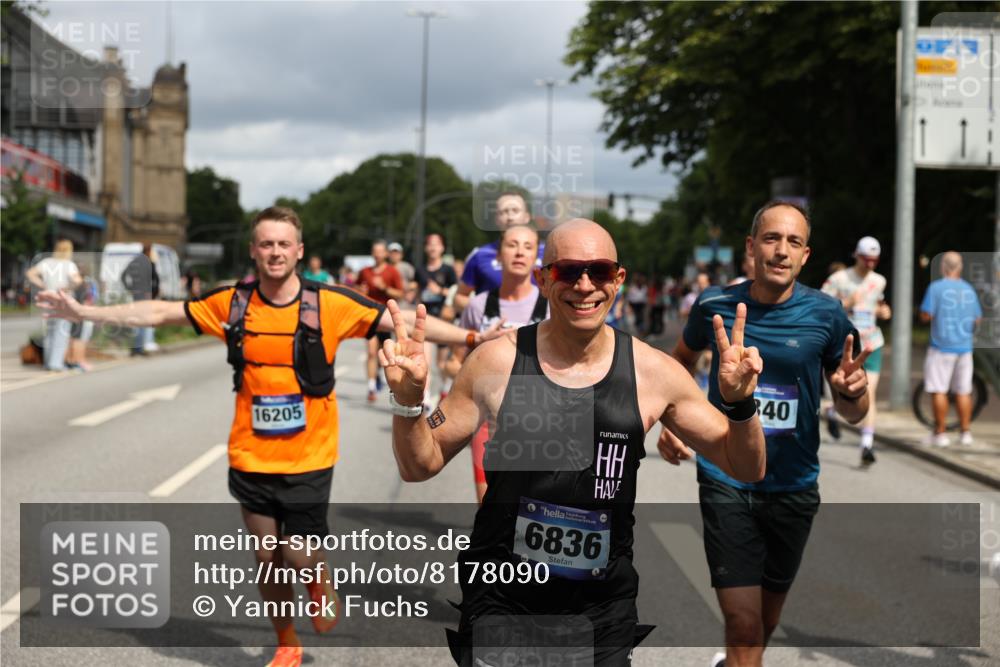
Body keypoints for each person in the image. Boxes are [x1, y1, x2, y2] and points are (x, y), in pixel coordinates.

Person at [36, 206, 500, 667]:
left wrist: (472, 339)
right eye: (266, 244)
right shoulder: (233, 303)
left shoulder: (329, 303)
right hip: (249, 456)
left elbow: (396, 323)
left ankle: (317, 580)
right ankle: (287, 641)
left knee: (297, 553)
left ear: (299, 251)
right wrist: (86, 310)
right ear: (254, 250)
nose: (275, 252)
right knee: (266, 556)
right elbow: (160, 311)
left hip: (310, 457)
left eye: (283, 244)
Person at [381, 218, 766, 666]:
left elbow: (745, 465)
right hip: (503, 593)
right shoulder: (497, 362)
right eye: (568, 272)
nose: (585, 286)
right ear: (545, 279)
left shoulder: (653, 372)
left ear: (619, 280)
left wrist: (740, 406)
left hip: (600, 606)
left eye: (599, 271)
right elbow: (419, 465)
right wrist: (407, 403)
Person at [659, 200, 872, 667]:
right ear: (751, 247)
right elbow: (679, 363)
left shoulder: (827, 315)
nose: (781, 251)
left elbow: (855, 412)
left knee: (765, 624)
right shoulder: (714, 305)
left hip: (794, 485)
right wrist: (671, 420)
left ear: (805, 255)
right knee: (743, 624)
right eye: (771, 239)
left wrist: (852, 393)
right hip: (726, 477)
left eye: (793, 242)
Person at [454, 224, 548, 503]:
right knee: (488, 507)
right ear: (498, 254)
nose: (520, 252)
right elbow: (455, 364)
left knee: (532, 511)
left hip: (542, 421)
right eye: (512, 245)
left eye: (528, 247)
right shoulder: (478, 306)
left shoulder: (553, 306)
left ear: (536, 258)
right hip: (488, 422)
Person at [821, 236, 890, 465]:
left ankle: (867, 445)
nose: (870, 264)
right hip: (846, 344)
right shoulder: (839, 279)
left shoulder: (879, 281)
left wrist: (883, 311)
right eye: (866, 259)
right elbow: (820, 305)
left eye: (875, 260)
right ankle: (832, 411)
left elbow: (878, 303)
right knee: (845, 392)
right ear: (857, 256)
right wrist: (846, 303)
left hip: (871, 344)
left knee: (868, 394)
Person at [919, 251, 983, 447]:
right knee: (964, 390)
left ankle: (940, 433)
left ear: (943, 267)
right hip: (964, 347)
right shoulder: (969, 290)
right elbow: (977, 318)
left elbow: (926, 316)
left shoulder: (936, 288)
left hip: (941, 347)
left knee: (939, 389)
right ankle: (965, 433)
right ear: (960, 267)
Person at [456, 192, 543, 308]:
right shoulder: (479, 255)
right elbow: (460, 296)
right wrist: (484, 314)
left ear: (527, 216)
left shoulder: (549, 253)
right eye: (504, 212)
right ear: (497, 219)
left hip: (539, 324)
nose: (510, 217)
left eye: (515, 211)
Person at [357, 240, 405, 402]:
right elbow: (356, 290)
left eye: (380, 251)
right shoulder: (365, 272)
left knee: (384, 353)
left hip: (385, 318)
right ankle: (371, 387)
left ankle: (378, 375)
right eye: (375, 251)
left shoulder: (392, 271)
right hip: (369, 317)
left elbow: (400, 294)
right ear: (372, 253)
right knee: (371, 352)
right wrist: (360, 290)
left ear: (385, 254)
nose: (377, 254)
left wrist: (385, 288)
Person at [415, 233, 459, 404]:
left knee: (442, 364)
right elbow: (418, 292)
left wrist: (439, 291)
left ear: (442, 248)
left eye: (437, 244)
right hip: (426, 319)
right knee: (424, 361)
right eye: (430, 244)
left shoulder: (447, 270)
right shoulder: (420, 270)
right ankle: (425, 397)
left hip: (443, 320)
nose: (433, 247)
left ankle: (445, 389)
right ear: (426, 248)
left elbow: (455, 294)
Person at [25, 238, 81, 371]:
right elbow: (77, 281)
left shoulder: (47, 262)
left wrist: (43, 285)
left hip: (48, 299)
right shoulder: (69, 264)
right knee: (61, 332)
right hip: (62, 300)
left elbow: (30, 273)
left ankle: (48, 362)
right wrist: (68, 287)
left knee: (49, 332)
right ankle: (56, 364)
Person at [121, 243, 161, 356]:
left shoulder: (135, 261)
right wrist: (154, 293)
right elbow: (156, 280)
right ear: (149, 251)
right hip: (146, 296)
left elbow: (123, 275)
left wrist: (130, 288)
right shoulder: (150, 263)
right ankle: (139, 348)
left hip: (136, 295)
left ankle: (135, 348)